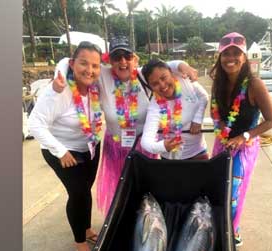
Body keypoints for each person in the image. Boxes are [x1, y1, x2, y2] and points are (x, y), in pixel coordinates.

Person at [51, 36, 198, 216]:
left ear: (134, 59)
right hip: (116, 148)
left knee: (147, 191)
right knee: (119, 193)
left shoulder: (144, 75)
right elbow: (68, 61)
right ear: (109, 60)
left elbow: (167, 66)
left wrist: (184, 66)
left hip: (145, 149)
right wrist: (57, 79)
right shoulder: (102, 75)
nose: (122, 61)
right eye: (117, 57)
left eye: (127, 56)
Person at [27, 41, 103, 251]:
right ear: (72, 64)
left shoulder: (94, 88)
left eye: (95, 65)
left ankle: (87, 228)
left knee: (84, 190)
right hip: (61, 151)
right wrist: (60, 151)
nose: (89, 70)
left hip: (89, 147)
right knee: (77, 193)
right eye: (83, 63)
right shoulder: (59, 91)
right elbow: (35, 124)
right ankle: (80, 241)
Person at [210, 32, 272, 245]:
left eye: (236, 53)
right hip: (222, 144)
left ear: (245, 56)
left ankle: (231, 232)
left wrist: (243, 136)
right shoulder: (218, 82)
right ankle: (218, 228)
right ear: (220, 57)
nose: (231, 58)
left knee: (233, 194)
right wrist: (221, 127)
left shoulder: (254, 85)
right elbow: (216, 113)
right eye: (225, 54)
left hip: (245, 146)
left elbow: (271, 120)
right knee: (218, 188)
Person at [140, 59, 209, 160]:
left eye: (164, 78)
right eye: (155, 84)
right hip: (169, 159)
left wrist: (197, 119)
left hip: (198, 152)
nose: (162, 85)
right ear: (150, 87)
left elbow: (204, 97)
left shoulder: (185, 80)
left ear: (171, 73)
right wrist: (163, 146)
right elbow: (145, 142)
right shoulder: (154, 106)